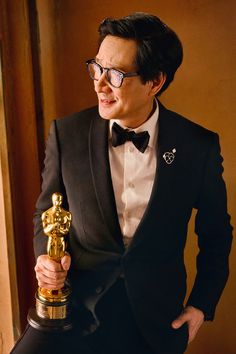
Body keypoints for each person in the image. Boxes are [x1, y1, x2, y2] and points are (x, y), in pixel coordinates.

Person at [11, 12, 233, 354]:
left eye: (114, 75)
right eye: (96, 68)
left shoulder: (197, 147)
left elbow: (217, 233)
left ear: (155, 82)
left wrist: (202, 305)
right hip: (72, 314)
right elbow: (47, 212)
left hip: (156, 322)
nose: (99, 84)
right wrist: (47, 260)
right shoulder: (66, 134)